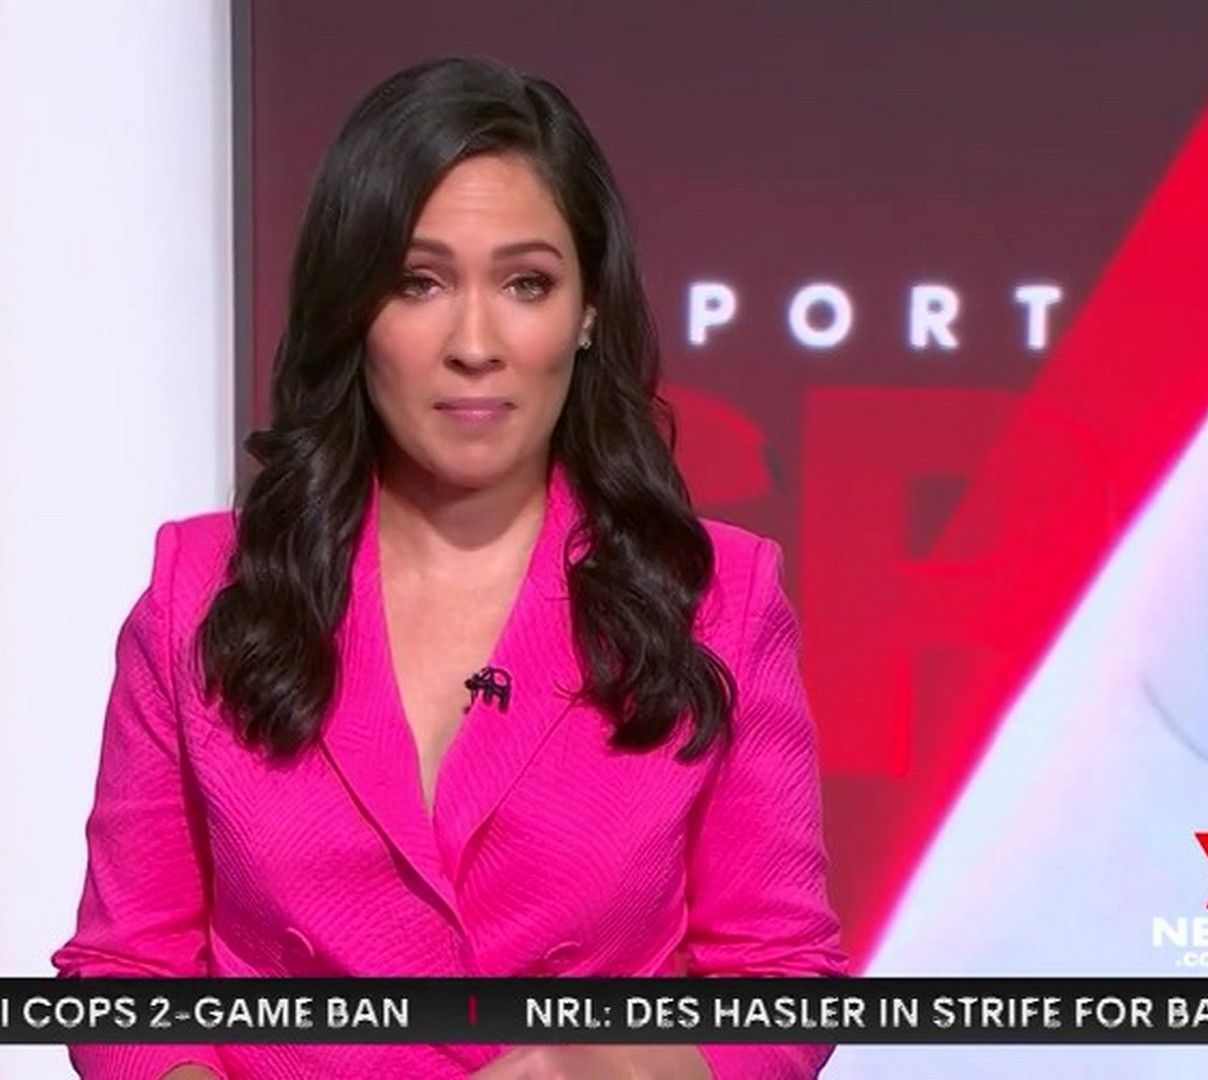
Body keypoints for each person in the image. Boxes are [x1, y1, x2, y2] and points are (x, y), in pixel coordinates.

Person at [52, 55, 848, 1079]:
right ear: (353, 308)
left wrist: (590, 1068)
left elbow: (781, 986)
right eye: (418, 283)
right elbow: (126, 976)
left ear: (588, 312)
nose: (476, 344)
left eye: (526, 284)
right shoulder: (200, 593)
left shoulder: (717, 600)